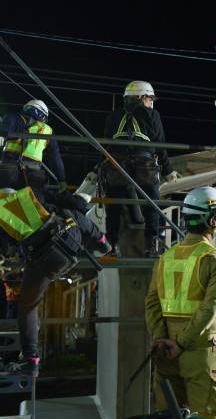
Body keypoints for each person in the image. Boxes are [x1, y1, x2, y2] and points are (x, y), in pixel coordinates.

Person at [0, 186, 111, 375]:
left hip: (45, 257)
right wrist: (104, 244)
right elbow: (78, 216)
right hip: (69, 241)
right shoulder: (36, 196)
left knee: (28, 306)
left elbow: (7, 248)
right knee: (69, 216)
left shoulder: (4, 215)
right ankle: (101, 242)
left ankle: (31, 360)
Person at [145, 186, 216, 419]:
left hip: (166, 353)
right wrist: (181, 343)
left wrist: (161, 338)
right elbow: (210, 308)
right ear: (211, 221)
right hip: (201, 353)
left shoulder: (166, 258)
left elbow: (151, 302)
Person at [102, 81, 179, 257]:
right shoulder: (152, 115)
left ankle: (111, 245)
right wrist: (167, 170)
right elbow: (160, 143)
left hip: (117, 165)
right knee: (152, 204)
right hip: (145, 166)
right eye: (150, 98)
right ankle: (151, 246)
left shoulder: (113, 116)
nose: (151, 102)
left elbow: (105, 145)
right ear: (140, 97)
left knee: (114, 206)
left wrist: (96, 168)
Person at [0, 100, 66, 197]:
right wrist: (61, 179)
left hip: (9, 167)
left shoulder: (13, 118)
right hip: (34, 172)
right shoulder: (48, 130)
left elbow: (3, 133)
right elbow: (55, 157)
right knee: (34, 200)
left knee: (5, 197)